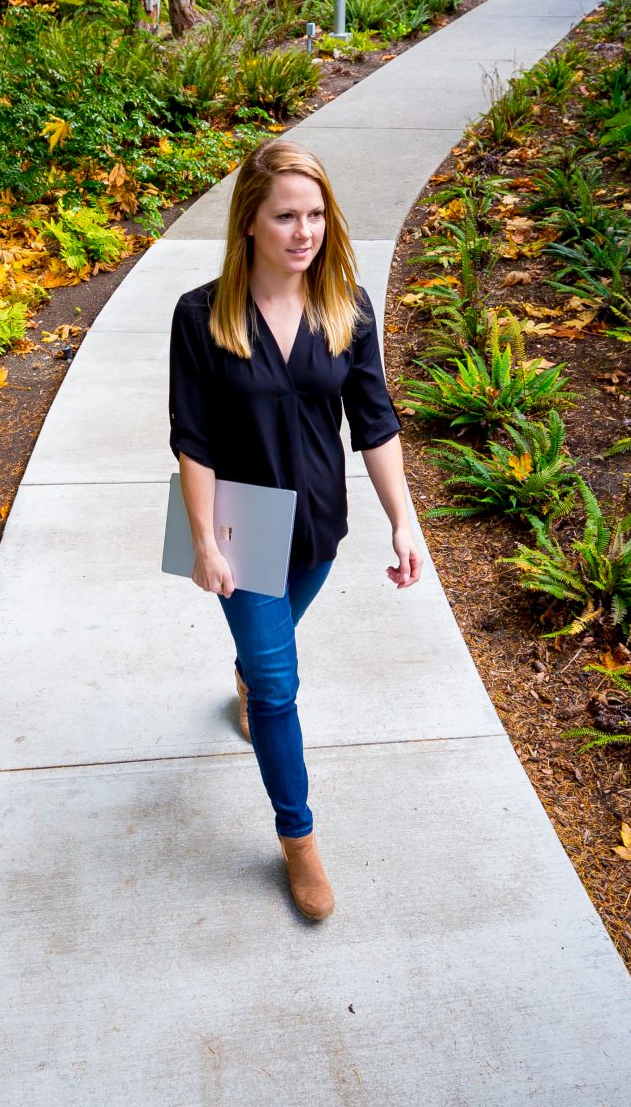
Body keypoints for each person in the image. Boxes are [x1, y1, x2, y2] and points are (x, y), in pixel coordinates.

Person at [167, 139, 428, 923]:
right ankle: (299, 839)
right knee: (281, 688)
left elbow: (375, 425)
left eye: (315, 214)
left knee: (265, 658)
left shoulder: (346, 309)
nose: (303, 231)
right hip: (242, 525)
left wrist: (403, 522)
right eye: (286, 215)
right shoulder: (201, 315)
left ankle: (247, 673)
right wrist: (205, 539)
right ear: (249, 221)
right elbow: (194, 439)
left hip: (319, 524)